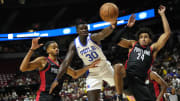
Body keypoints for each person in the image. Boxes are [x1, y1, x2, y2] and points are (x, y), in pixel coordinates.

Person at [114, 5, 171, 101]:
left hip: (139, 84)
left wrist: (162, 15)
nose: (143, 38)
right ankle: (119, 97)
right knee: (118, 67)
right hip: (127, 79)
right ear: (138, 39)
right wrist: (127, 27)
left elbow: (167, 34)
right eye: (141, 37)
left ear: (150, 40)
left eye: (146, 36)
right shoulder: (133, 44)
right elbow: (116, 40)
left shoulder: (152, 49)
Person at [19, 37, 99, 101]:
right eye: (53, 48)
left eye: (57, 47)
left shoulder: (62, 64)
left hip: (56, 96)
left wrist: (88, 67)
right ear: (47, 51)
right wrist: (32, 49)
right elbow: (23, 68)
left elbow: (75, 74)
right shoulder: (43, 60)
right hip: (44, 96)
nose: (56, 49)